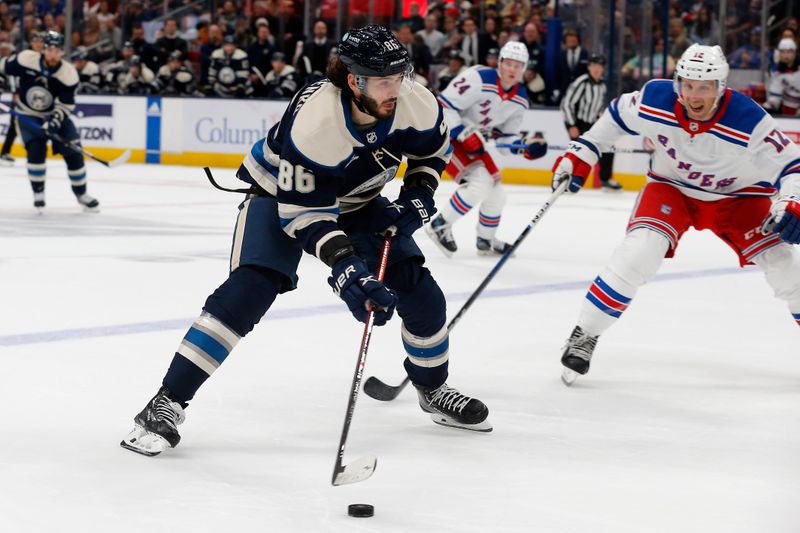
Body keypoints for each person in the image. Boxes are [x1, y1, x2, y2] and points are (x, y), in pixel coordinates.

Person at [120, 25, 491, 457]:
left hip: (357, 198)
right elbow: (304, 213)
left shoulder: (415, 100)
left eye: (401, 76)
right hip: (281, 193)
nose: (397, 88)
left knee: (419, 292)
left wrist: (418, 196)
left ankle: (433, 389)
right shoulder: (318, 121)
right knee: (251, 288)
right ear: (355, 81)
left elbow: (431, 153)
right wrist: (346, 265)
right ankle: (165, 402)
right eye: (385, 80)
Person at [552, 44, 800, 385]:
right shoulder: (655, 98)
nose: (694, 96)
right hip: (673, 189)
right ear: (676, 83)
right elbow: (615, 116)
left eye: (704, 86)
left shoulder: (749, 118)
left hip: (740, 199)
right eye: (687, 85)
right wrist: (584, 150)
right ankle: (585, 335)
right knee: (638, 252)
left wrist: (792, 200)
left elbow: (792, 164)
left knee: (788, 270)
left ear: (721, 86)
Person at [426, 41, 548, 257]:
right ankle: (439, 225)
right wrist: (462, 131)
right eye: (508, 64)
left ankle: (486, 240)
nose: (512, 69)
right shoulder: (478, 77)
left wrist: (523, 148)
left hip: (474, 143)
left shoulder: (520, 99)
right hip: (447, 135)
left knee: (497, 193)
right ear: (499, 63)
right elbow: (442, 105)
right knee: (480, 183)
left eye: (518, 65)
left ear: (524, 69)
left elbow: (504, 139)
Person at [0, 31, 99, 211]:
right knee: (36, 150)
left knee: (74, 152)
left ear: (62, 52)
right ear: (44, 49)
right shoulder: (26, 59)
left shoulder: (68, 74)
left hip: (54, 114)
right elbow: (2, 67)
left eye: (57, 50)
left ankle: (81, 193)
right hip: (28, 114)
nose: (53, 54)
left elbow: (66, 106)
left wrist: (53, 122)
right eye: (50, 49)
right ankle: (38, 193)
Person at [560, 54, 620, 191]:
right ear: (588, 67)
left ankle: (606, 179)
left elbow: (599, 106)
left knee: (608, 147)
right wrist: (571, 124)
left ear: (603, 68)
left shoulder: (602, 85)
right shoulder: (581, 82)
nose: (596, 69)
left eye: (599, 66)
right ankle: (565, 178)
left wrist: (602, 121)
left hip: (593, 123)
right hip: (577, 122)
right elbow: (567, 104)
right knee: (578, 152)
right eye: (593, 65)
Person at [764, 38, 799, 116]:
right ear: (779, 53)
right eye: (783, 52)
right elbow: (774, 98)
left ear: (794, 53)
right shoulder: (776, 72)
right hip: (786, 113)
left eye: (789, 52)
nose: (786, 55)